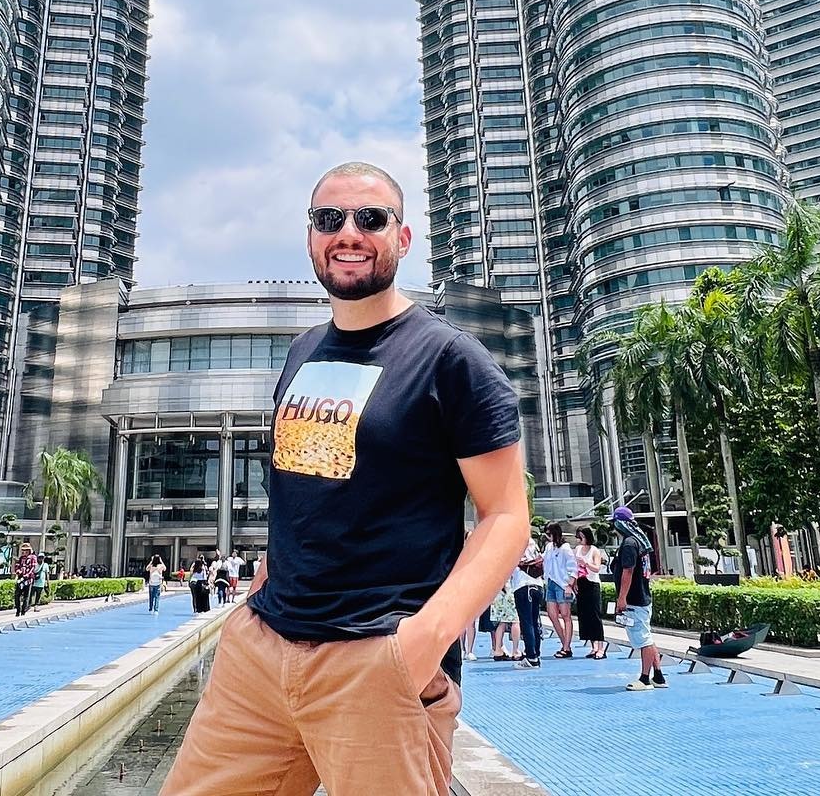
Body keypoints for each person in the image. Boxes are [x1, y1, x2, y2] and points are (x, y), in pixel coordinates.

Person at [161, 160, 528, 796]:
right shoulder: (304, 351)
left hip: (376, 658)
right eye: (330, 220)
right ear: (311, 237)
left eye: (371, 219)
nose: (349, 233)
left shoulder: (449, 360)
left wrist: (420, 643)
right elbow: (304, 487)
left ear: (403, 238)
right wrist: (260, 592)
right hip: (263, 652)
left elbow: (505, 515)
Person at [612, 506, 665, 691]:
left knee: (644, 640)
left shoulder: (629, 544)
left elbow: (628, 571)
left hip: (634, 599)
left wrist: (622, 598)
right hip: (642, 596)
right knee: (646, 635)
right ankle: (658, 675)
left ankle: (645, 679)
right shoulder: (639, 542)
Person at [543, 523, 576, 658]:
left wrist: (570, 585)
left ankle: (566, 646)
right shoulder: (549, 547)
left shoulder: (565, 548)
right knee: (552, 614)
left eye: (549, 534)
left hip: (562, 584)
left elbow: (573, 568)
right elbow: (543, 560)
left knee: (565, 615)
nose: (548, 537)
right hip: (550, 582)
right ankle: (565, 643)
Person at [574, 526, 607, 659]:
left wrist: (586, 563)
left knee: (595, 615)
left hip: (592, 583)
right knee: (584, 615)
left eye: (581, 537)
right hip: (581, 583)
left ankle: (600, 647)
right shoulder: (577, 550)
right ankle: (593, 646)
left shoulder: (594, 550)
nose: (579, 540)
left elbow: (597, 568)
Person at [511, 537, 542, 667]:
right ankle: (536, 653)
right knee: (534, 621)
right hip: (538, 584)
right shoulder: (533, 543)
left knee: (526, 622)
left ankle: (531, 656)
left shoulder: (514, 544)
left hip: (522, 585)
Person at [489, 571, 519, 661]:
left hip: (498, 591)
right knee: (515, 620)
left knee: (501, 622)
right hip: (510, 589)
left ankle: (498, 649)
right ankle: (515, 650)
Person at [14, 545, 38, 616]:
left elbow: (33, 568)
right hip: (20, 578)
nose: (24, 552)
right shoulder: (21, 558)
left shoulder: (33, 558)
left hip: (28, 579)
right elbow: (17, 566)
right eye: (23, 551)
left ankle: (23, 611)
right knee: (17, 595)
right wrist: (18, 571)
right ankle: (18, 610)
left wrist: (27, 574)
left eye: (26, 551)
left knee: (26, 596)